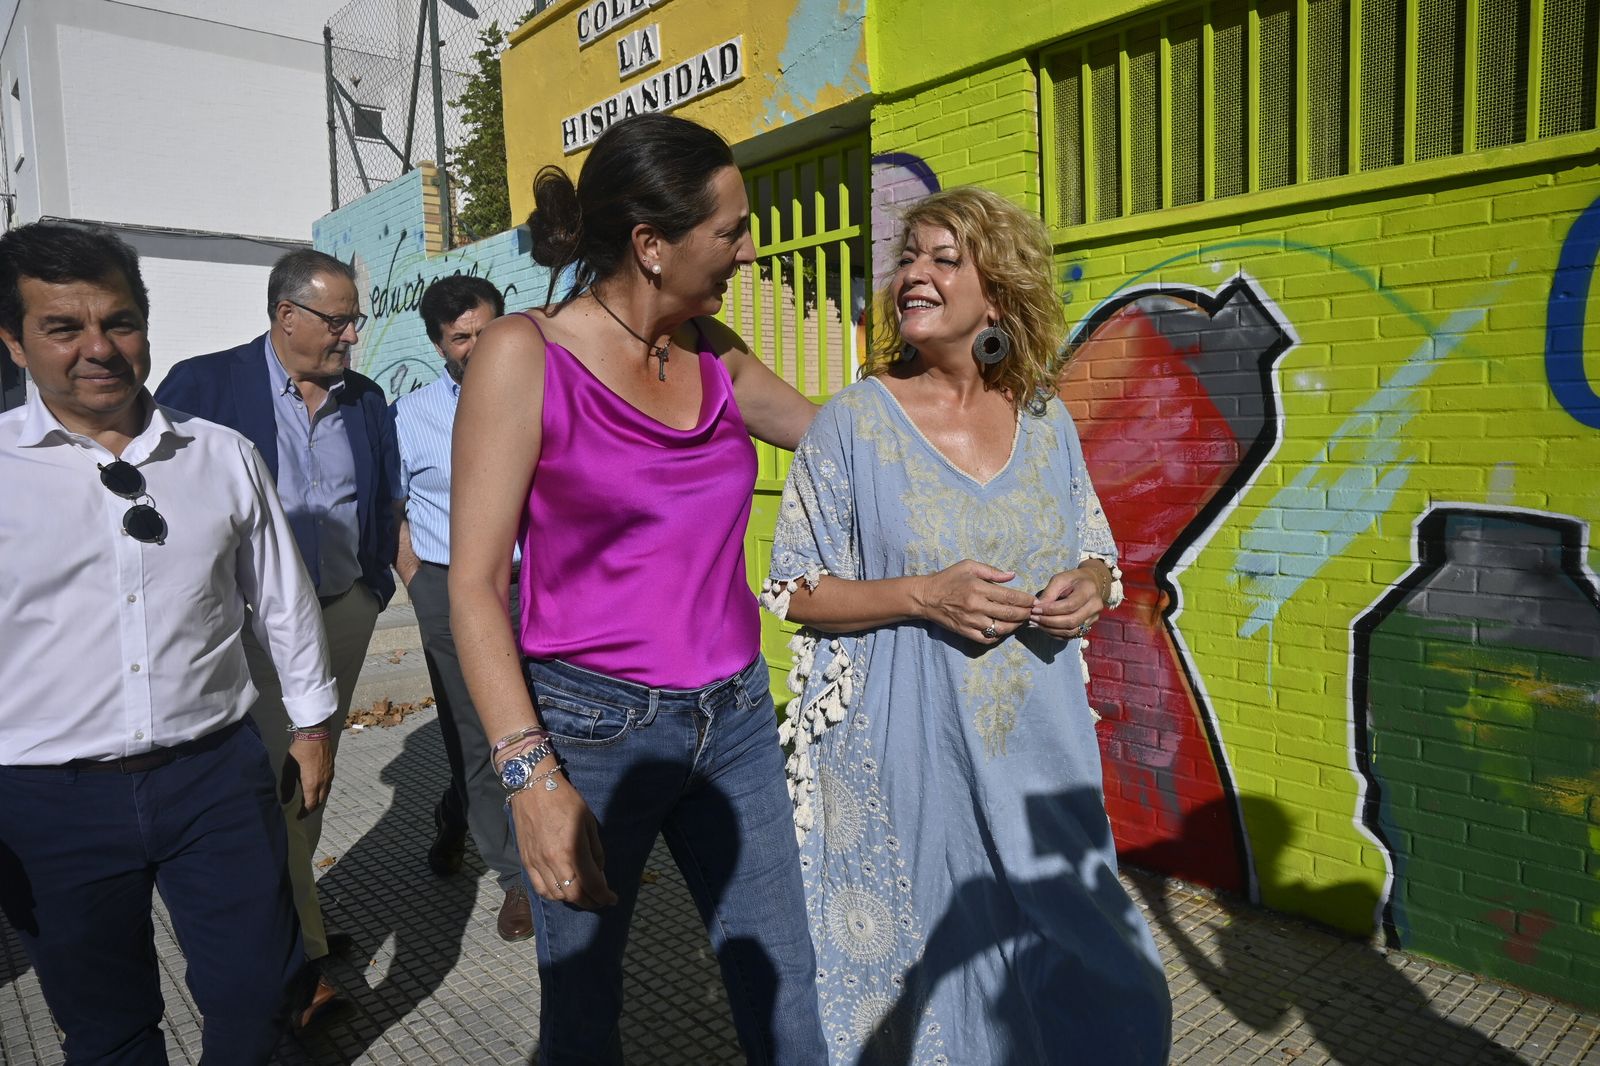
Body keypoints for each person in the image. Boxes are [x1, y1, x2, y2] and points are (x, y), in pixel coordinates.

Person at [761, 186, 1173, 1064]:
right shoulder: (851, 426)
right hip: (909, 739)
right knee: (937, 966)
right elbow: (792, 585)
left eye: (945, 259)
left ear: (997, 292)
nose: (915, 273)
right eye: (909, 257)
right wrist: (922, 594)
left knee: (1100, 965)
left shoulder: (1045, 419)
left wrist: (1091, 585)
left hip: (1041, 737)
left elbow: (1098, 548)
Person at [449, 113, 826, 1063]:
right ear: (652, 246)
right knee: (582, 1019)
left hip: (735, 715)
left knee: (788, 983)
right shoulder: (522, 354)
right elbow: (476, 585)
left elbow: (835, 434)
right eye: (731, 231)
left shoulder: (713, 350)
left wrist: (980, 402)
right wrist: (530, 779)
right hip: (589, 729)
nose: (748, 251)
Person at [0, 222, 336, 1062]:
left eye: (119, 322)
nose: (98, 349)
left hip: (213, 779)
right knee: (107, 1028)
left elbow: (282, 600)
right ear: (12, 341)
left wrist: (314, 723)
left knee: (259, 993)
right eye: (62, 328)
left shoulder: (221, 454)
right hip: (47, 799)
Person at [155, 248, 400, 1026]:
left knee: (313, 777)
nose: (351, 337)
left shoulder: (362, 398)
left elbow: (385, 492)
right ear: (285, 315)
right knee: (272, 783)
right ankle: (292, 963)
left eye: (354, 320)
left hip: (344, 609)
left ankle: (302, 922)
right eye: (337, 321)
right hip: (250, 626)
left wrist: (379, 585)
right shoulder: (204, 384)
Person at [394, 273, 533, 941]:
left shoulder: (542, 392)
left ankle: (457, 813)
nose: (476, 346)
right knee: (479, 736)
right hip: (449, 589)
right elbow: (392, 507)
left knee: (542, 719)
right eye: (460, 338)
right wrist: (417, 576)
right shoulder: (412, 416)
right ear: (438, 345)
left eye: (486, 330)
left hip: (532, 584)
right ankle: (515, 878)